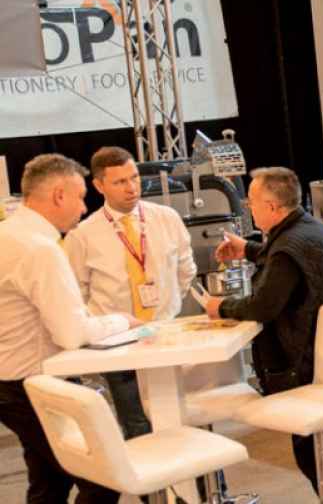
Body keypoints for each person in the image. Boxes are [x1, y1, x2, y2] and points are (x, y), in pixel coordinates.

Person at [204, 167, 323, 504]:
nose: (248, 208)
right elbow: (286, 260)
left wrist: (220, 307)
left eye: (251, 202)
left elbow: (263, 306)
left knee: (314, 450)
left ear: (271, 206)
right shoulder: (308, 229)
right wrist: (248, 249)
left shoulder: (287, 247)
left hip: (312, 365)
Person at [1, 154, 139, 504]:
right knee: (102, 477)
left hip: (14, 382)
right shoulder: (39, 249)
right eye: (79, 197)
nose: (83, 208)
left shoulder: (9, 235)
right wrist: (121, 320)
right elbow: (71, 333)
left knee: (49, 483)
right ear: (58, 195)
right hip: (30, 383)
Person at [64, 147, 196, 439]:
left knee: (178, 417)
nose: (131, 187)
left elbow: (185, 270)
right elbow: (77, 293)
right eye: (120, 182)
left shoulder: (166, 218)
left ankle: (192, 469)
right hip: (118, 342)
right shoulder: (82, 235)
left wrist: (167, 308)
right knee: (136, 424)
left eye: (134, 177)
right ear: (99, 186)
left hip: (164, 333)